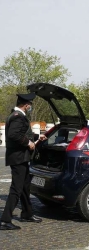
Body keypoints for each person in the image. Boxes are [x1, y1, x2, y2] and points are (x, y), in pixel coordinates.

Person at [0, 93, 47, 230]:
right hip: (18, 157)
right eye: (30, 104)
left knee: (25, 186)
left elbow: (22, 132)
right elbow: (13, 134)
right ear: (26, 105)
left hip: (21, 157)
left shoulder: (16, 115)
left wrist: (38, 137)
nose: (30, 107)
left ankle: (27, 214)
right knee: (16, 189)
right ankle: (5, 220)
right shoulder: (17, 116)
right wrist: (28, 143)